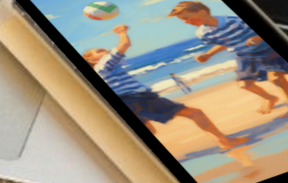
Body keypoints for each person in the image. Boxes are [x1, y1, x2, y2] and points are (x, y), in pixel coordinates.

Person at [83, 22, 248, 154]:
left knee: (149, 132)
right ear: (92, 60)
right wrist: (121, 32)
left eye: (103, 49)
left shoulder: (104, 69)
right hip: (136, 98)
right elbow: (124, 44)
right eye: (99, 51)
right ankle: (224, 140)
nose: (104, 51)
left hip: (128, 101)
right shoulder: (104, 64)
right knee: (194, 113)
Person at [171, 0, 288, 118]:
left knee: (277, 78)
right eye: (183, 20)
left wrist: (258, 37)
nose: (186, 22)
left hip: (266, 50)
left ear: (202, 12)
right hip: (243, 55)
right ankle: (270, 98)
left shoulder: (235, 20)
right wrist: (208, 55)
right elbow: (224, 44)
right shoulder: (203, 33)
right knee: (244, 85)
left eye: (187, 18)